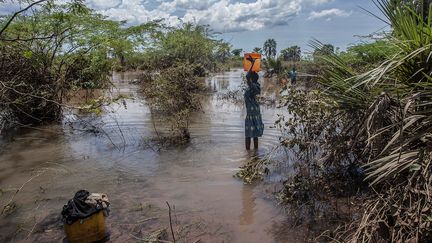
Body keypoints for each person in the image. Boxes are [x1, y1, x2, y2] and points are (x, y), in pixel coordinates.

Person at [244, 57, 264, 150]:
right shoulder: (256, 86)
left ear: (252, 79)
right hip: (254, 112)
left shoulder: (254, 86)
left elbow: (247, 77)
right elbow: (248, 77)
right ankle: (255, 154)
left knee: (248, 135)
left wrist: (252, 63)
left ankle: (248, 155)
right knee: (254, 134)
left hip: (251, 113)